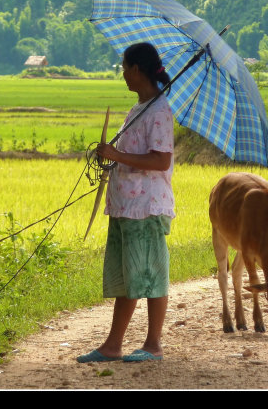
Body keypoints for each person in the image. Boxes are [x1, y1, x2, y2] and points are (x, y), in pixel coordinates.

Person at [77, 42, 175, 363]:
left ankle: (154, 345)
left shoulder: (159, 112)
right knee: (127, 277)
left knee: (150, 274)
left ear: (136, 69)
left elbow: (161, 161)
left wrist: (116, 154)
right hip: (124, 207)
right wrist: (109, 158)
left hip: (146, 207)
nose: (122, 74)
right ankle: (113, 345)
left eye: (123, 67)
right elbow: (129, 155)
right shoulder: (138, 109)